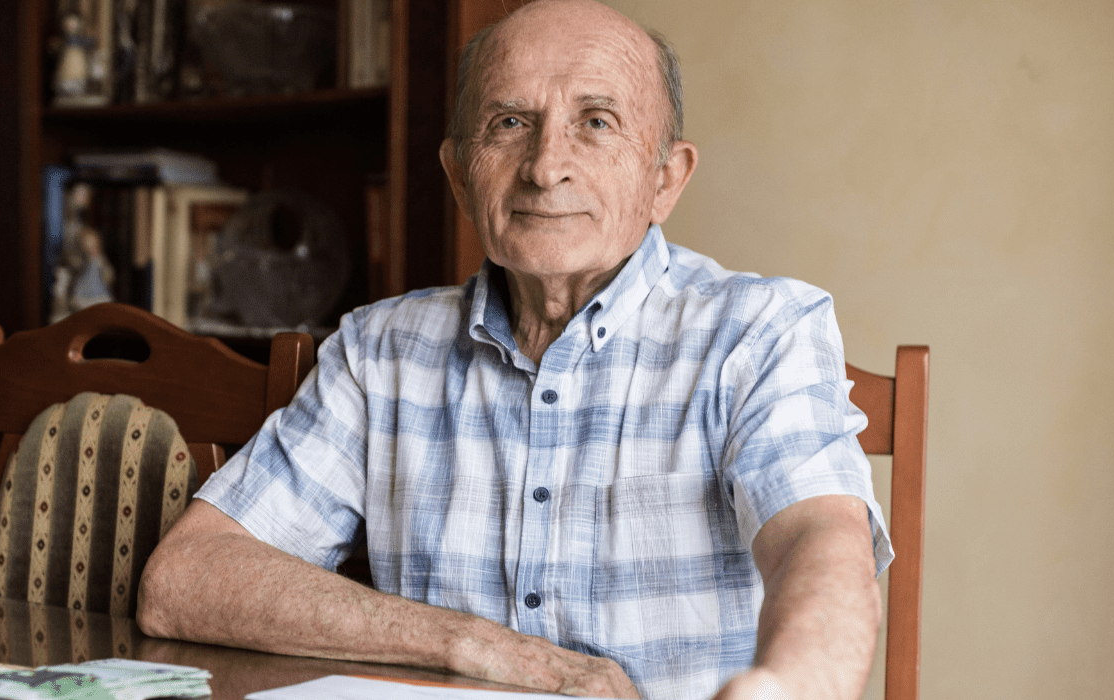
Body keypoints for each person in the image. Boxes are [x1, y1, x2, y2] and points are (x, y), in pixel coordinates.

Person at [137, 2, 890, 699]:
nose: (544, 166)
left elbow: (818, 541)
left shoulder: (762, 330)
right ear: (460, 178)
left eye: (596, 122)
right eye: (508, 123)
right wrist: (469, 645)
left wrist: (785, 687)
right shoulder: (378, 350)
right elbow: (186, 578)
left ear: (666, 179)